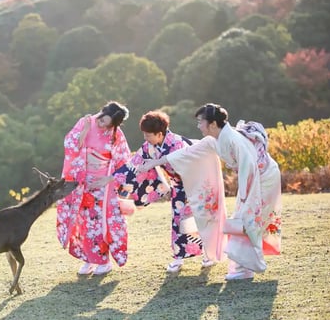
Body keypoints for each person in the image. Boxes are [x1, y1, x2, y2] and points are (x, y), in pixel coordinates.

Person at [139, 103, 282, 280]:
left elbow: (249, 167)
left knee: (248, 218)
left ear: (213, 124)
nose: (198, 126)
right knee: (245, 219)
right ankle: (244, 267)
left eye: (201, 122)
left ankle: (247, 267)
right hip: (253, 181)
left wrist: (245, 197)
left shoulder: (233, 139)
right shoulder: (214, 140)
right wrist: (155, 162)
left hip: (264, 178)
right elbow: (187, 153)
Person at [93, 111, 227, 273]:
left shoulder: (177, 144)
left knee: (200, 219)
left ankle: (209, 254)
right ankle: (178, 257)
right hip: (179, 186)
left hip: (197, 183)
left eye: (148, 135)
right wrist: (109, 179)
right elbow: (132, 165)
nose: (145, 138)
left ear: (160, 133)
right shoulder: (150, 146)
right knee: (179, 220)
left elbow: (189, 164)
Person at [56, 101, 132, 275]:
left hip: (102, 186)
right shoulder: (86, 122)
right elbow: (69, 144)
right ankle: (88, 259)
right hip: (82, 183)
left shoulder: (115, 134)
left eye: (107, 124)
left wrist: (109, 179)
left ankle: (103, 261)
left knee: (98, 223)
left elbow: (124, 160)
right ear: (102, 112)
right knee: (83, 221)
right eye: (102, 120)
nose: (102, 125)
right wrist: (82, 134)